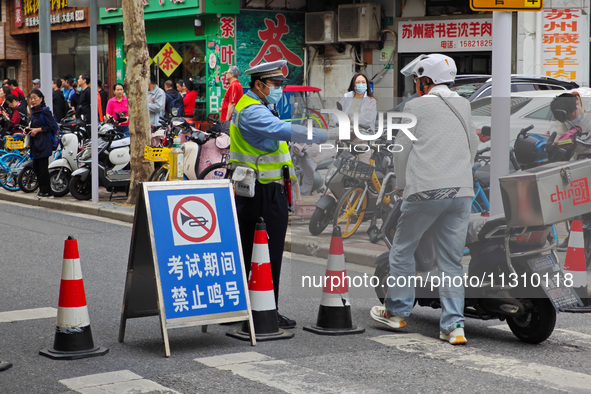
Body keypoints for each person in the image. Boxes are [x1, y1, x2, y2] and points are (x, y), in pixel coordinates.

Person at [369, 54, 478, 345]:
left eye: (418, 80)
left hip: (425, 191)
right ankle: (454, 326)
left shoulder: (414, 106)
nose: (416, 85)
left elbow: (401, 151)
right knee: (452, 261)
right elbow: (473, 145)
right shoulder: (463, 104)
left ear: (426, 80)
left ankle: (396, 312)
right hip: (461, 192)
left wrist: (402, 186)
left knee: (403, 250)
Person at [230, 59, 327, 329]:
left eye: (281, 84)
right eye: (275, 84)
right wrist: (320, 133)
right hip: (260, 191)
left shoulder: (262, 105)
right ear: (259, 84)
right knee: (266, 253)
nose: (280, 89)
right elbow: (280, 130)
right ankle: (265, 311)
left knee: (253, 251)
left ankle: (255, 308)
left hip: (263, 189)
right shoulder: (251, 110)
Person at [27, 89, 58, 198]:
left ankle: (47, 191)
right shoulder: (34, 112)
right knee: (36, 167)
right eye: (31, 98)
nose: (33, 100)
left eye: (35, 98)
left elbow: (51, 126)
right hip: (35, 143)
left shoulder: (45, 111)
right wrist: (29, 129)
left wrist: (38, 130)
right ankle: (42, 189)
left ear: (41, 98)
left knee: (43, 168)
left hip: (44, 143)